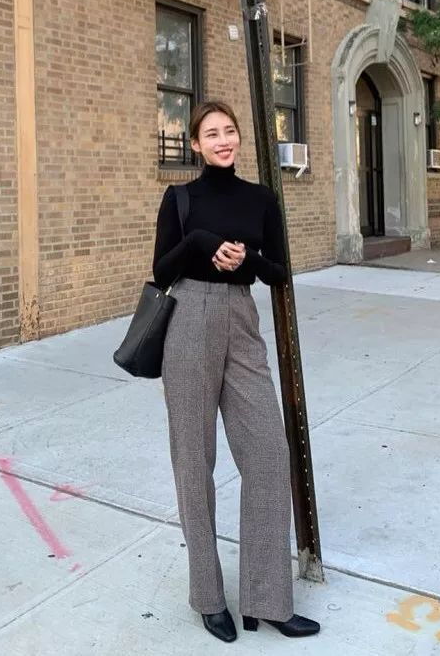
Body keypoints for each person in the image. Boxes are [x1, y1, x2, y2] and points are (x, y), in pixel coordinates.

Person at [153, 100, 320, 643]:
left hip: (242, 319)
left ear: (239, 139)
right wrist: (199, 243)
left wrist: (247, 260)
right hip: (189, 319)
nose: (222, 140)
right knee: (193, 459)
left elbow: (279, 271)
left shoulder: (261, 198)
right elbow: (161, 269)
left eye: (229, 131)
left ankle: (268, 599)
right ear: (195, 144)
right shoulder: (180, 198)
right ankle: (208, 596)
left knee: (269, 454)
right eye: (211, 133)